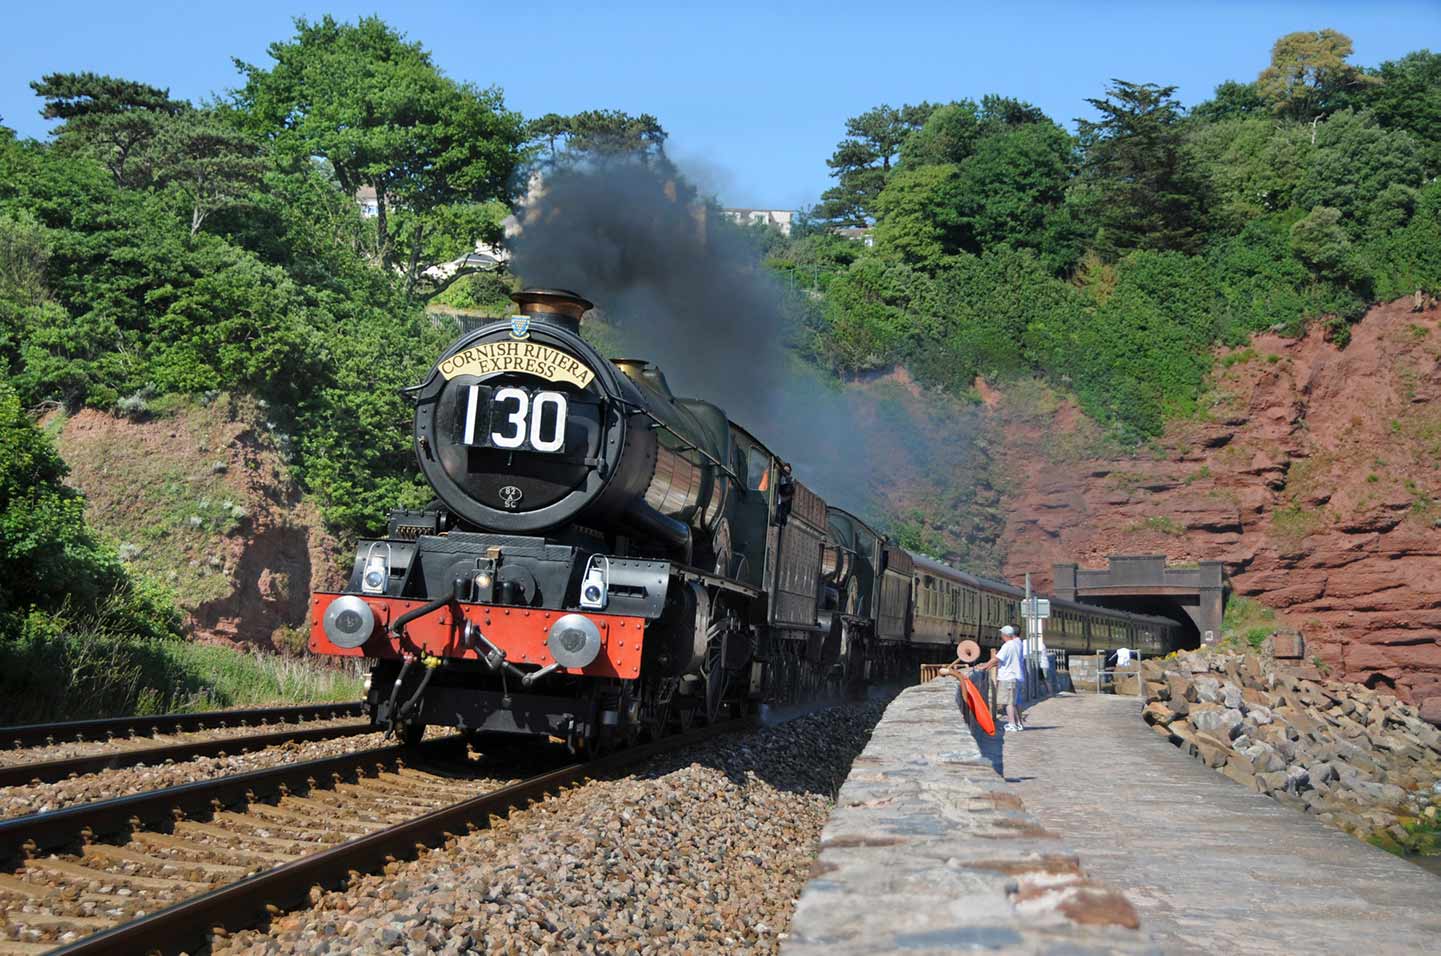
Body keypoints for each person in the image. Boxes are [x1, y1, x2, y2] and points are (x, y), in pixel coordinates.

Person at [977, 625, 1026, 732]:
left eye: (1002, 634)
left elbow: (997, 659)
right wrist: (989, 665)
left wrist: (985, 666)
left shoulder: (1008, 645)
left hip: (1008, 677)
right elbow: (1004, 660)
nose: (1001, 636)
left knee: (1009, 703)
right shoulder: (1018, 644)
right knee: (1015, 701)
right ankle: (1019, 723)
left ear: (1005, 635)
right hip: (1016, 676)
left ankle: (1012, 724)